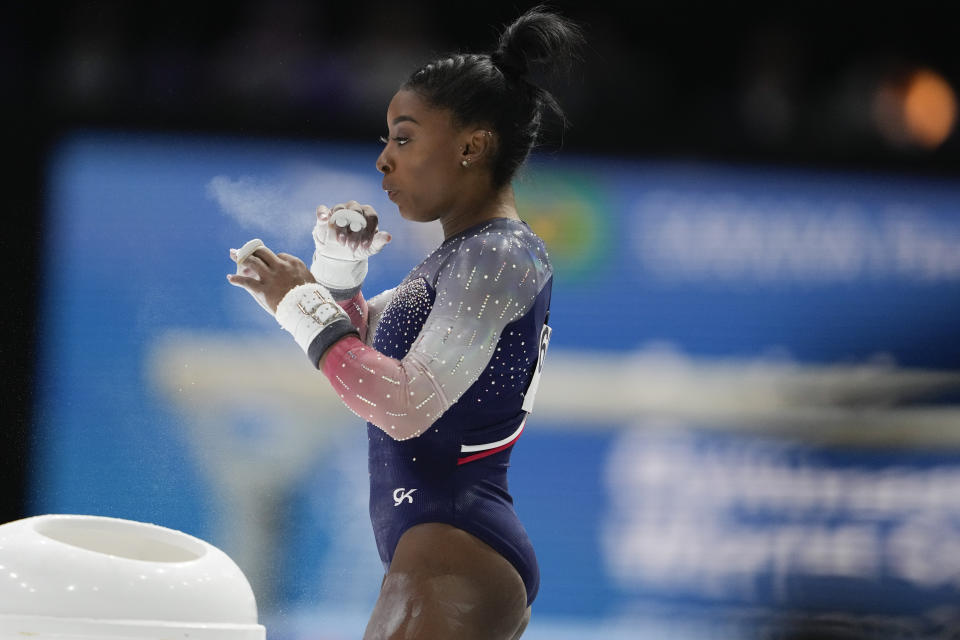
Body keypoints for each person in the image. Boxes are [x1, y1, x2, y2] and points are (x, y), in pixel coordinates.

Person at [227, 6, 583, 639]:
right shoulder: (462, 258)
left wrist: (298, 305)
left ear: (473, 145)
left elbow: (402, 403)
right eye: (387, 139)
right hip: (442, 546)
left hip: (456, 548)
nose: (383, 160)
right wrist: (332, 274)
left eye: (405, 136)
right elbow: (359, 358)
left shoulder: (499, 254)